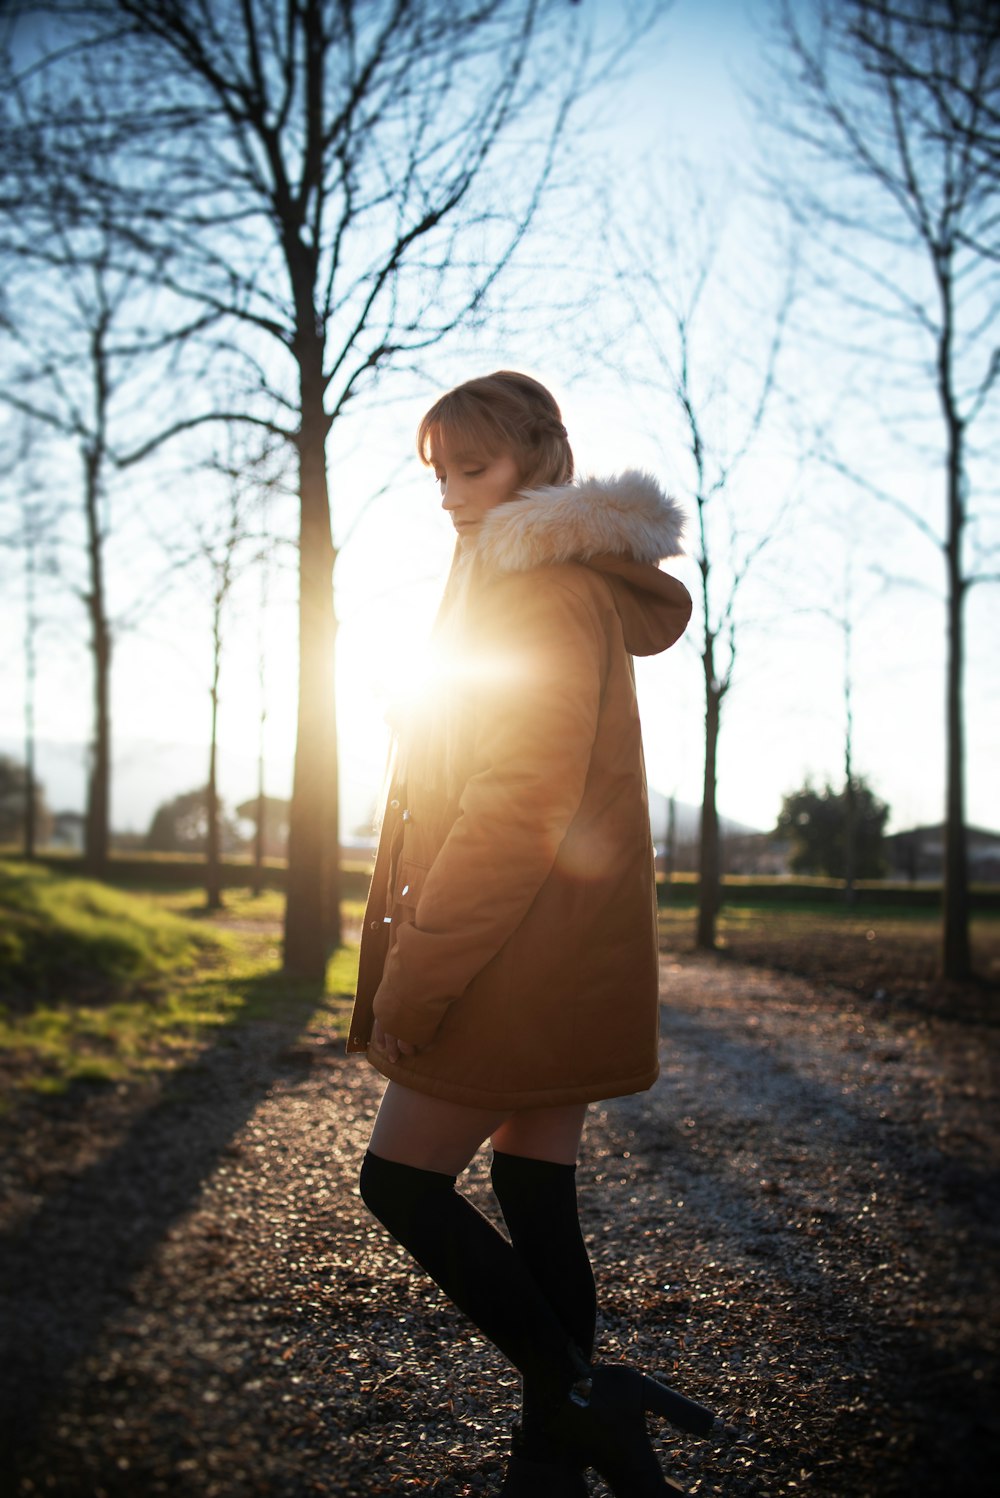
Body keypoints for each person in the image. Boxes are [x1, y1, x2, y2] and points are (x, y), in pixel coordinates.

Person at [348, 371, 715, 1497]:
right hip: (562, 951)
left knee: (397, 1186)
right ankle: (549, 1465)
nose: (453, 495)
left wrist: (420, 975)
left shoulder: (531, 590)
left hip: (512, 953)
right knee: (532, 1189)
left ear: (540, 459)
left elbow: (516, 805)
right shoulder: (562, 582)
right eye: (440, 473)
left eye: (475, 468)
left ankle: (584, 1397)